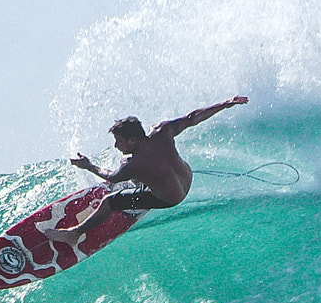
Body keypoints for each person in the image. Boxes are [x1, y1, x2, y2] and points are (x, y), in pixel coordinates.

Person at [57, 96, 249, 235]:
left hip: (171, 198)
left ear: (132, 140)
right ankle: (138, 186)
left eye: (119, 141)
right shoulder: (163, 131)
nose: (116, 145)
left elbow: (112, 177)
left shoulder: (133, 164)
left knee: (110, 200)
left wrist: (89, 166)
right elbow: (192, 119)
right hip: (187, 179)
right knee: (136, 170)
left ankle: (73, 233)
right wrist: (225, 104)